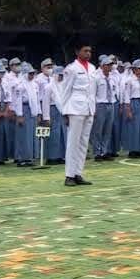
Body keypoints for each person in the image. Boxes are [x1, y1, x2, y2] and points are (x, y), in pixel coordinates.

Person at [55, 45, 98, 186]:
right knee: (73, 143)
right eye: (85, 51)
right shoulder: (71, 69)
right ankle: (69, 175)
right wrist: (64, 112)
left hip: (89, 108)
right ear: (77, 52)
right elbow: (65, 92)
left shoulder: (92, 68)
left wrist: (93, 109)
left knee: (83, 143)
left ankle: (78, 173)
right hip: (75, 108)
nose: (88, 53)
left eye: (89, 51)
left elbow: (93, 91)